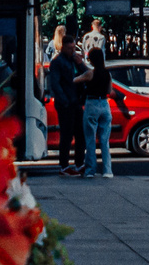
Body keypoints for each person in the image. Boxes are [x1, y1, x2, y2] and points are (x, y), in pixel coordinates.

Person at [46, 25, 85, 176]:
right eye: (70, 48)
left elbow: (88, 73)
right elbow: (55, 84)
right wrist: (65, 101)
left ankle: (79, 163)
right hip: (66, 103)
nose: (72, 51)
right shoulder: (58, 62)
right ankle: (64, 165)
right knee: (67, 135)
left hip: (75, 101)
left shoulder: (74, 60)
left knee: (79, 134)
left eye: (74, 48)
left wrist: (80, 63)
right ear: (63, 48)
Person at [80, 43, 114, 179]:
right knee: (105, 141)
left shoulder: (90, 74)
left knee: (90, 139)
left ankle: (90, 170)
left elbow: (75, 80)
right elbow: (109, 91)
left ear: (91, 60)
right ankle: (107, 171)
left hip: (92, 103)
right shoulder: (107, 74)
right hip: (104, 104)